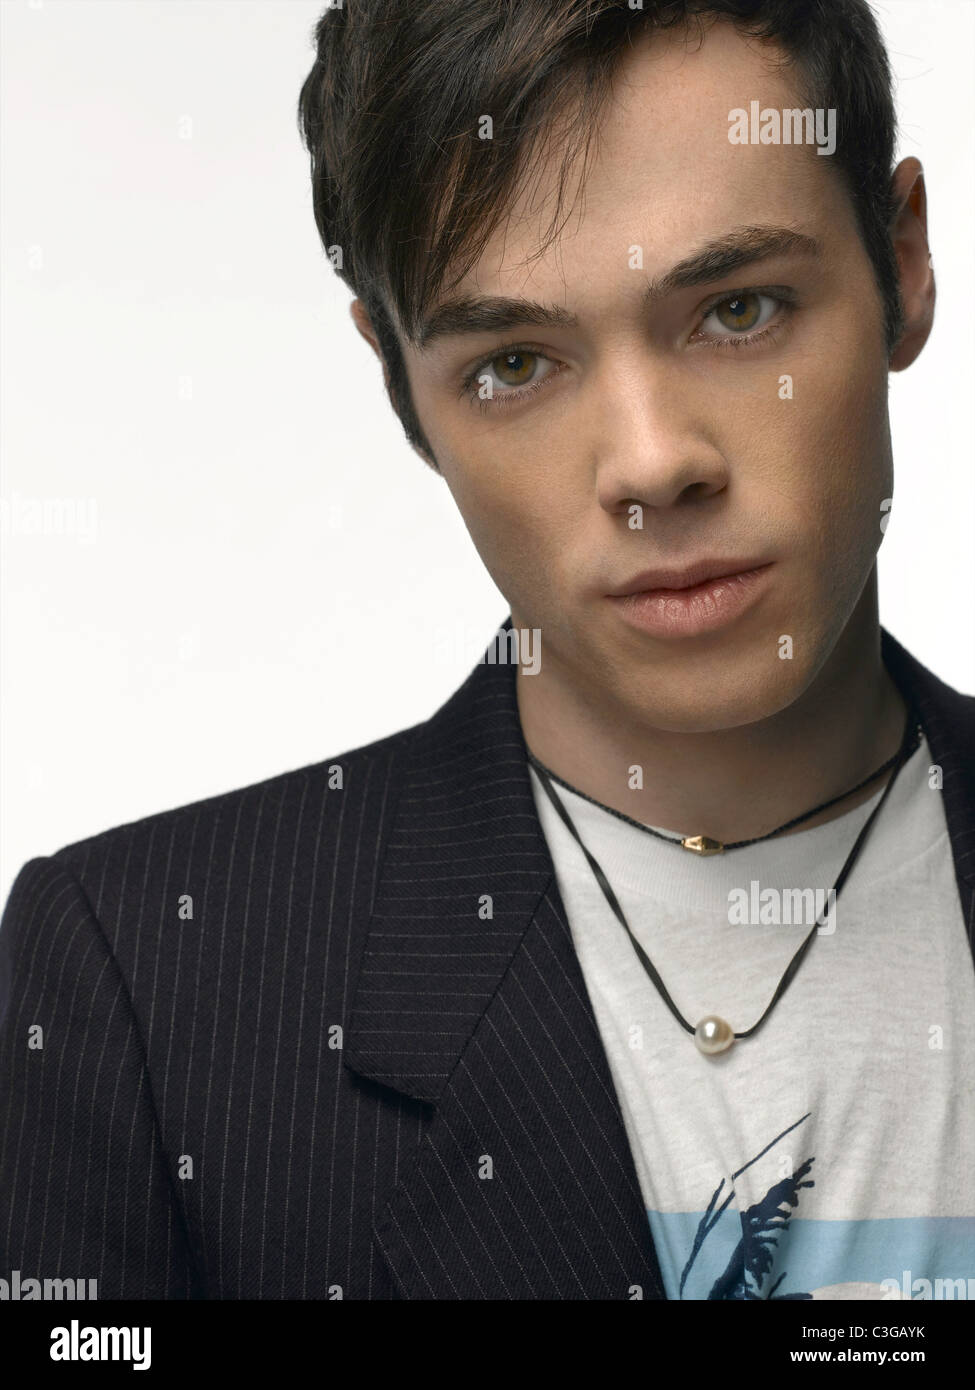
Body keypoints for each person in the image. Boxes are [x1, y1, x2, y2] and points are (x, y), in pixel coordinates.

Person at [1, 0, 972, 1302]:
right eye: (515, 363)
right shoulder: (148, 992)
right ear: (398, 381)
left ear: (903, 260)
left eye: (738, 309)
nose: (652, 465)